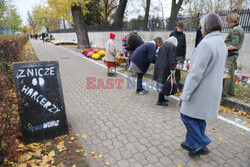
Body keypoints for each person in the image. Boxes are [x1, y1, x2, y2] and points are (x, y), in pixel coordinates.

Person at [179, 13, 227, 158]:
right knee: (199, 118)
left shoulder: (206, 44)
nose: (200, 29)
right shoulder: (221, 43)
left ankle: (201, 143)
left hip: (200, 90)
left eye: (201, 26)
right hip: (212, 89)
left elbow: (195, 74)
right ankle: (190, 143)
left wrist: (185, 93)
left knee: (186, 116)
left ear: (207, 26)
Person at [222, 13, 245, 97]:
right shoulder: (238, 28)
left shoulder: (235, 30)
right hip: (233, 54)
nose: (227, 24)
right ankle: (231, 91)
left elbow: (234, 45)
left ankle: (223, 92)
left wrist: (223, 48)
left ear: (231, 21)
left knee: (226, 73)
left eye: (227, 22)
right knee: (231, 73)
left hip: (231, 54)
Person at [153, 36, 177, 106]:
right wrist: (172, 69)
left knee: (161, 82)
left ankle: (162, 98)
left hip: (159, 66)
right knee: (163, 82)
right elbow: (171, 59)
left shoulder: (164, 45)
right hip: (165, 67)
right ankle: (160, 101)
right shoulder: (172, 46)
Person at [169, 21, 186, 91]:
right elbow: (169, 45)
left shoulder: (183, 35)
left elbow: (184, 46)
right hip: (173, 55)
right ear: (177, 27)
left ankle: (177, 86)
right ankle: (170, 85)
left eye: (182, 29)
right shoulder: (172, 34)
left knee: (178, 73)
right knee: (171, 71)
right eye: (179, 28)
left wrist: (183, 56)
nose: (180, 30)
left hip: (180, 56)